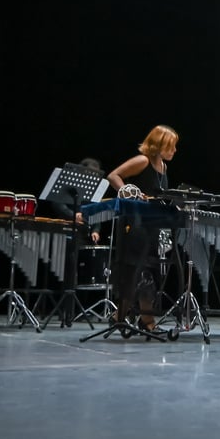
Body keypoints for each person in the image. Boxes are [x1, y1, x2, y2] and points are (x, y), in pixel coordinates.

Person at [106, 125, 179, 332]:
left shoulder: (164, 167)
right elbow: (114, 176)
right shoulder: (143, 161)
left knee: (151, 274)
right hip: (137, 224)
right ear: (159, 144)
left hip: (155, 227)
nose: (174, 150)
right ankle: (128, 317)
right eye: (171, 146)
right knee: (136, 272)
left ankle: (143, 320)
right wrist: (131, 194)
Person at [49, 157, 103, 244]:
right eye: (91, 174)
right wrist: (73, 215)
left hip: (83, 232)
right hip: (65, 230)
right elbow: (57, 204)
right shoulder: (68, 184)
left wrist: (95, 230)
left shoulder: (93, 190)